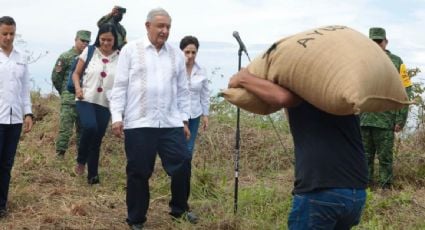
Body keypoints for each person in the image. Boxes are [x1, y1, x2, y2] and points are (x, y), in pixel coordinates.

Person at [228, 68, 368, 229]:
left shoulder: (306, 86)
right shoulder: (342, 93)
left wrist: (244, 78)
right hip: (356, 193)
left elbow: (283, 97)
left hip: (322, 190)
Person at [110, 8, 197, 230]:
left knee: (182, 163)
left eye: (168, 26)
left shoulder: (176, 55)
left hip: (169, 122)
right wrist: (117, 117)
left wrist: (184, 120)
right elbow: (119, 86)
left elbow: (182, 90)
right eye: (160, 26)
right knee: (138, 171)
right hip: (140, 122)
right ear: (148, 26)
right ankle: (136, 219)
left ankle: (179, 209)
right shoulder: (130, 50)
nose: (165, 31)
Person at [360, 27, 412, 190]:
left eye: (379, 41)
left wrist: (401, 119)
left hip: (386, 119)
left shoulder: (397, 61)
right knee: (364, 156)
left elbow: (406, 90)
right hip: (364, 119)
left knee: (385, 157)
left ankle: (385, 188)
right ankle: (366, 187)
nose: (376, 44)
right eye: (373, 41)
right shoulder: (362, 60)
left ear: (385, 41)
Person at [72, 24, 120, 185]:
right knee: (90, 127)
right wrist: (78, 89)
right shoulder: (90, 51)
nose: (106, 43)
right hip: (85, 98)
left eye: (110, 40)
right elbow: (76, 73)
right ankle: (81, 160)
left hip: (105, 103)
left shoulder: (121, 56)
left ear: (115, 40)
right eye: (103, 39)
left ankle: (93, 176)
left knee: (97, 139)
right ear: (99, 38)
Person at [0, 16, 33, 218]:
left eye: (11, 33)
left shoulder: (21, 57)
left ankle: (1, 205)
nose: (8, 37)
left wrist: (28, 112)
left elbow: (25, 89)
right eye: (4, 33)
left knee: (6, 164)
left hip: (15, 120)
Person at [52, 30, 91, 158]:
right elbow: (56, 77)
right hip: (68, 100)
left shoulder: (89, 58)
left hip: (84, 100)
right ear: (76, 39)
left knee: (83, 130)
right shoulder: (66, 56)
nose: (84, 44)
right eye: (82, 41)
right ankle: (60, 155)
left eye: (87, 42)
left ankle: (80, 157)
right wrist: (64, 92)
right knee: (65, 129)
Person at [179, 36, 209, 155]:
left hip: (195, 113)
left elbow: (205, 93)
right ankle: (176, 172)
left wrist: (205, 115)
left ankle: (185, 172)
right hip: (178, 114)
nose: (190, 55)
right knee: (178, 145)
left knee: (189, 147)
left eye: (193, 52)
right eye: (187, 52)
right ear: (181, 51)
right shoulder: (176, 69)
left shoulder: (201, 69)